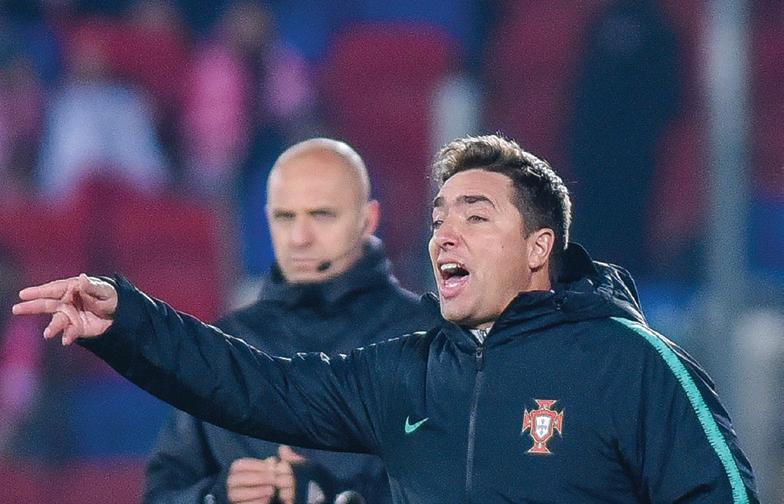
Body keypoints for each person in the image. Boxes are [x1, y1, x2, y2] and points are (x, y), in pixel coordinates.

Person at [14, 134, 759, 503]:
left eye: (475, 215)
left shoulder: (632, 363)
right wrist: (129, 320)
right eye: (438, 220)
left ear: (540, 247)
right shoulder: (406, 373)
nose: (445, 236)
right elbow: (254, 385)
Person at [144, 138, 439, 504]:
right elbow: (163, 493)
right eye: (286, 217)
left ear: (368, 220)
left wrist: (334, 496)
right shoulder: (221, 345)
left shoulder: (434, 341)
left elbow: (468, 485)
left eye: (321, 215)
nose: (299, 238)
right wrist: (215, 496)